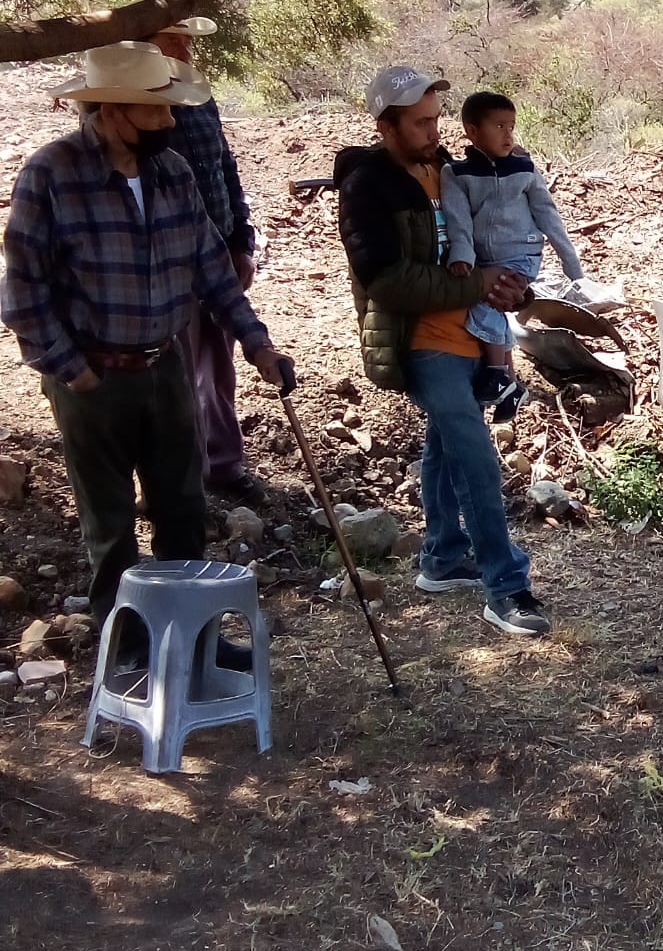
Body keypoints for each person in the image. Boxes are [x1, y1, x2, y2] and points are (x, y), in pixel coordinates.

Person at [0, 41, 294, 631]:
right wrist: (73, 370)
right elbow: (22, 293)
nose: (168, 120)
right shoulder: (51, 175)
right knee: (109, 527)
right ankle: (130, 650)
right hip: (92, 379)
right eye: (155, 109)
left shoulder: (172, 172)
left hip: (166, 366)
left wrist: (257, 343)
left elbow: (213, 270)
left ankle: (191, 642)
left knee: (184, 512)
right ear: (111, 111)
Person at [335, 65, 552, 637]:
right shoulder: (366, 186)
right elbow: (387, 282)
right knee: (474, 454)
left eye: (436, 119)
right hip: (422, 342)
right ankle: (506, 586)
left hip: (473, 334)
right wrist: (479, 284)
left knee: (443, 445)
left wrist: (514, 288)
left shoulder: (449, 167)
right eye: (420, 123)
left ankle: (442, 557)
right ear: (386, 127)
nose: (435, 131)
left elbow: (493, 239)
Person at [153, 15, 265, 502]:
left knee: (219, 363)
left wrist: (242, 239)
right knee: (173, 368)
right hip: (165, 262)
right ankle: (179, 476)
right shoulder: (135, 111)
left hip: (218, 251)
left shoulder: (200, 97)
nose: (184, 50)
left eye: (186, 42)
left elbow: (225, 167)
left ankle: (223, 463)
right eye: (172, 41)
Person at [441, 90, 587, 422]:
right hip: (482, 258)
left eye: (511, 126)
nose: (508, 135)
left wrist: (572, 265)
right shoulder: (457, 173)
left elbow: (548, 215)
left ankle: (497, 374)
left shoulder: (524, 169)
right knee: (489, 304)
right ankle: (509, 384)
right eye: (499, 126)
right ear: (472, 131)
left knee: (488, 302)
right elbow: (458, 219)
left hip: (522, 253)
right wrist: (462, 256)